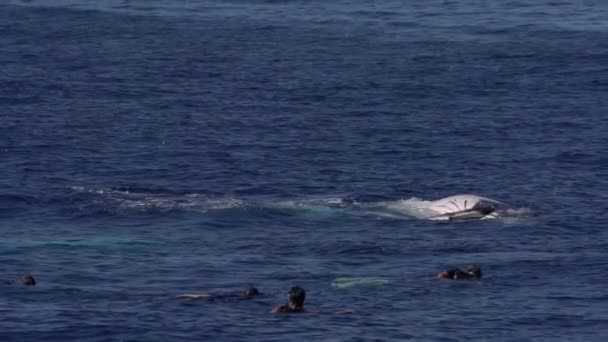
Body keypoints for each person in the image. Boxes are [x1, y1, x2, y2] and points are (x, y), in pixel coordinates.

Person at [178, 286, 259, 300]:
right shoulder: (244, 298)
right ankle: (186, 295)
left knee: (201, 297)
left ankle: (185, 295)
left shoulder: (241, 295)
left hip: (221, 296)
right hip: (220, 297)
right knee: (201, 297)